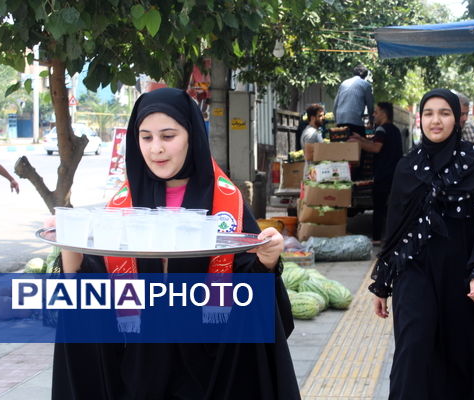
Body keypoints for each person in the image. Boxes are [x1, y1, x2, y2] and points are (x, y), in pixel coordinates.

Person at [52, 88, 301, 400]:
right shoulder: (122, 205)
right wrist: (68, 243)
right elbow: (90, 286)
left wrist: (268, 259)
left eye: (168, 136)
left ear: (192, 136)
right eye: (146, 137)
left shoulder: (226, 201)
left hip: (210, 367)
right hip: (139, 367)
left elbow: (250, 288)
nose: (156, 149)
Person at [370, 89, 474, 400]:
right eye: (429, 113)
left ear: (457, 119)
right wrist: (382, 284)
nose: (436, 120)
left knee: (457, 356)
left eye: (444, 113)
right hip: (414, 271)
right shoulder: (407, 167)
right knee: (413, 350)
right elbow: (394, 228)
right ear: (420, 119)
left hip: (459, 272)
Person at [348, 102, 402, 244]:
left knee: (378, 207)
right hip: (394, 175)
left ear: (384, 113)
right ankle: (393, 236)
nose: (373, 115)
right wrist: (360, 138)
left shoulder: (381, 130)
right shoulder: (395, 130)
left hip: (382, 175)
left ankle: (377, 238)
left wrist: (359, 143)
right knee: (390, 208)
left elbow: (375, 148)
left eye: (376, 112)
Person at [333, 64, 374, 137]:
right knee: (360, 145)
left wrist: (337, 120)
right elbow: (370, 106)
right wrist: (371, 122)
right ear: (365, 76)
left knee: (343, 144)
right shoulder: (366, 85)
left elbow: (335, 104)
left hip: (340, 121)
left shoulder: (344, 83)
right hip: (354, 121)